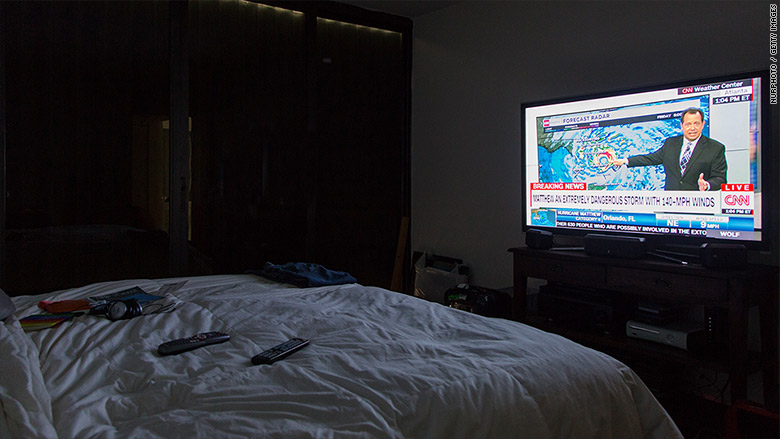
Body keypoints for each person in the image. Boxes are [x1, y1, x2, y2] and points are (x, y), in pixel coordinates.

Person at [611, 108, 727, 191]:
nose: (692, 128)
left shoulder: (715, 148)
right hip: (672, 205)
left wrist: (707, 185)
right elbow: (650, 159)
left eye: (696, 124)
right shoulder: (670, 144)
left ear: (702, 124)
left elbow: (720, 179)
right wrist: (626, 161)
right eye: (688, 124)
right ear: (682, 126)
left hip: (699, 206)